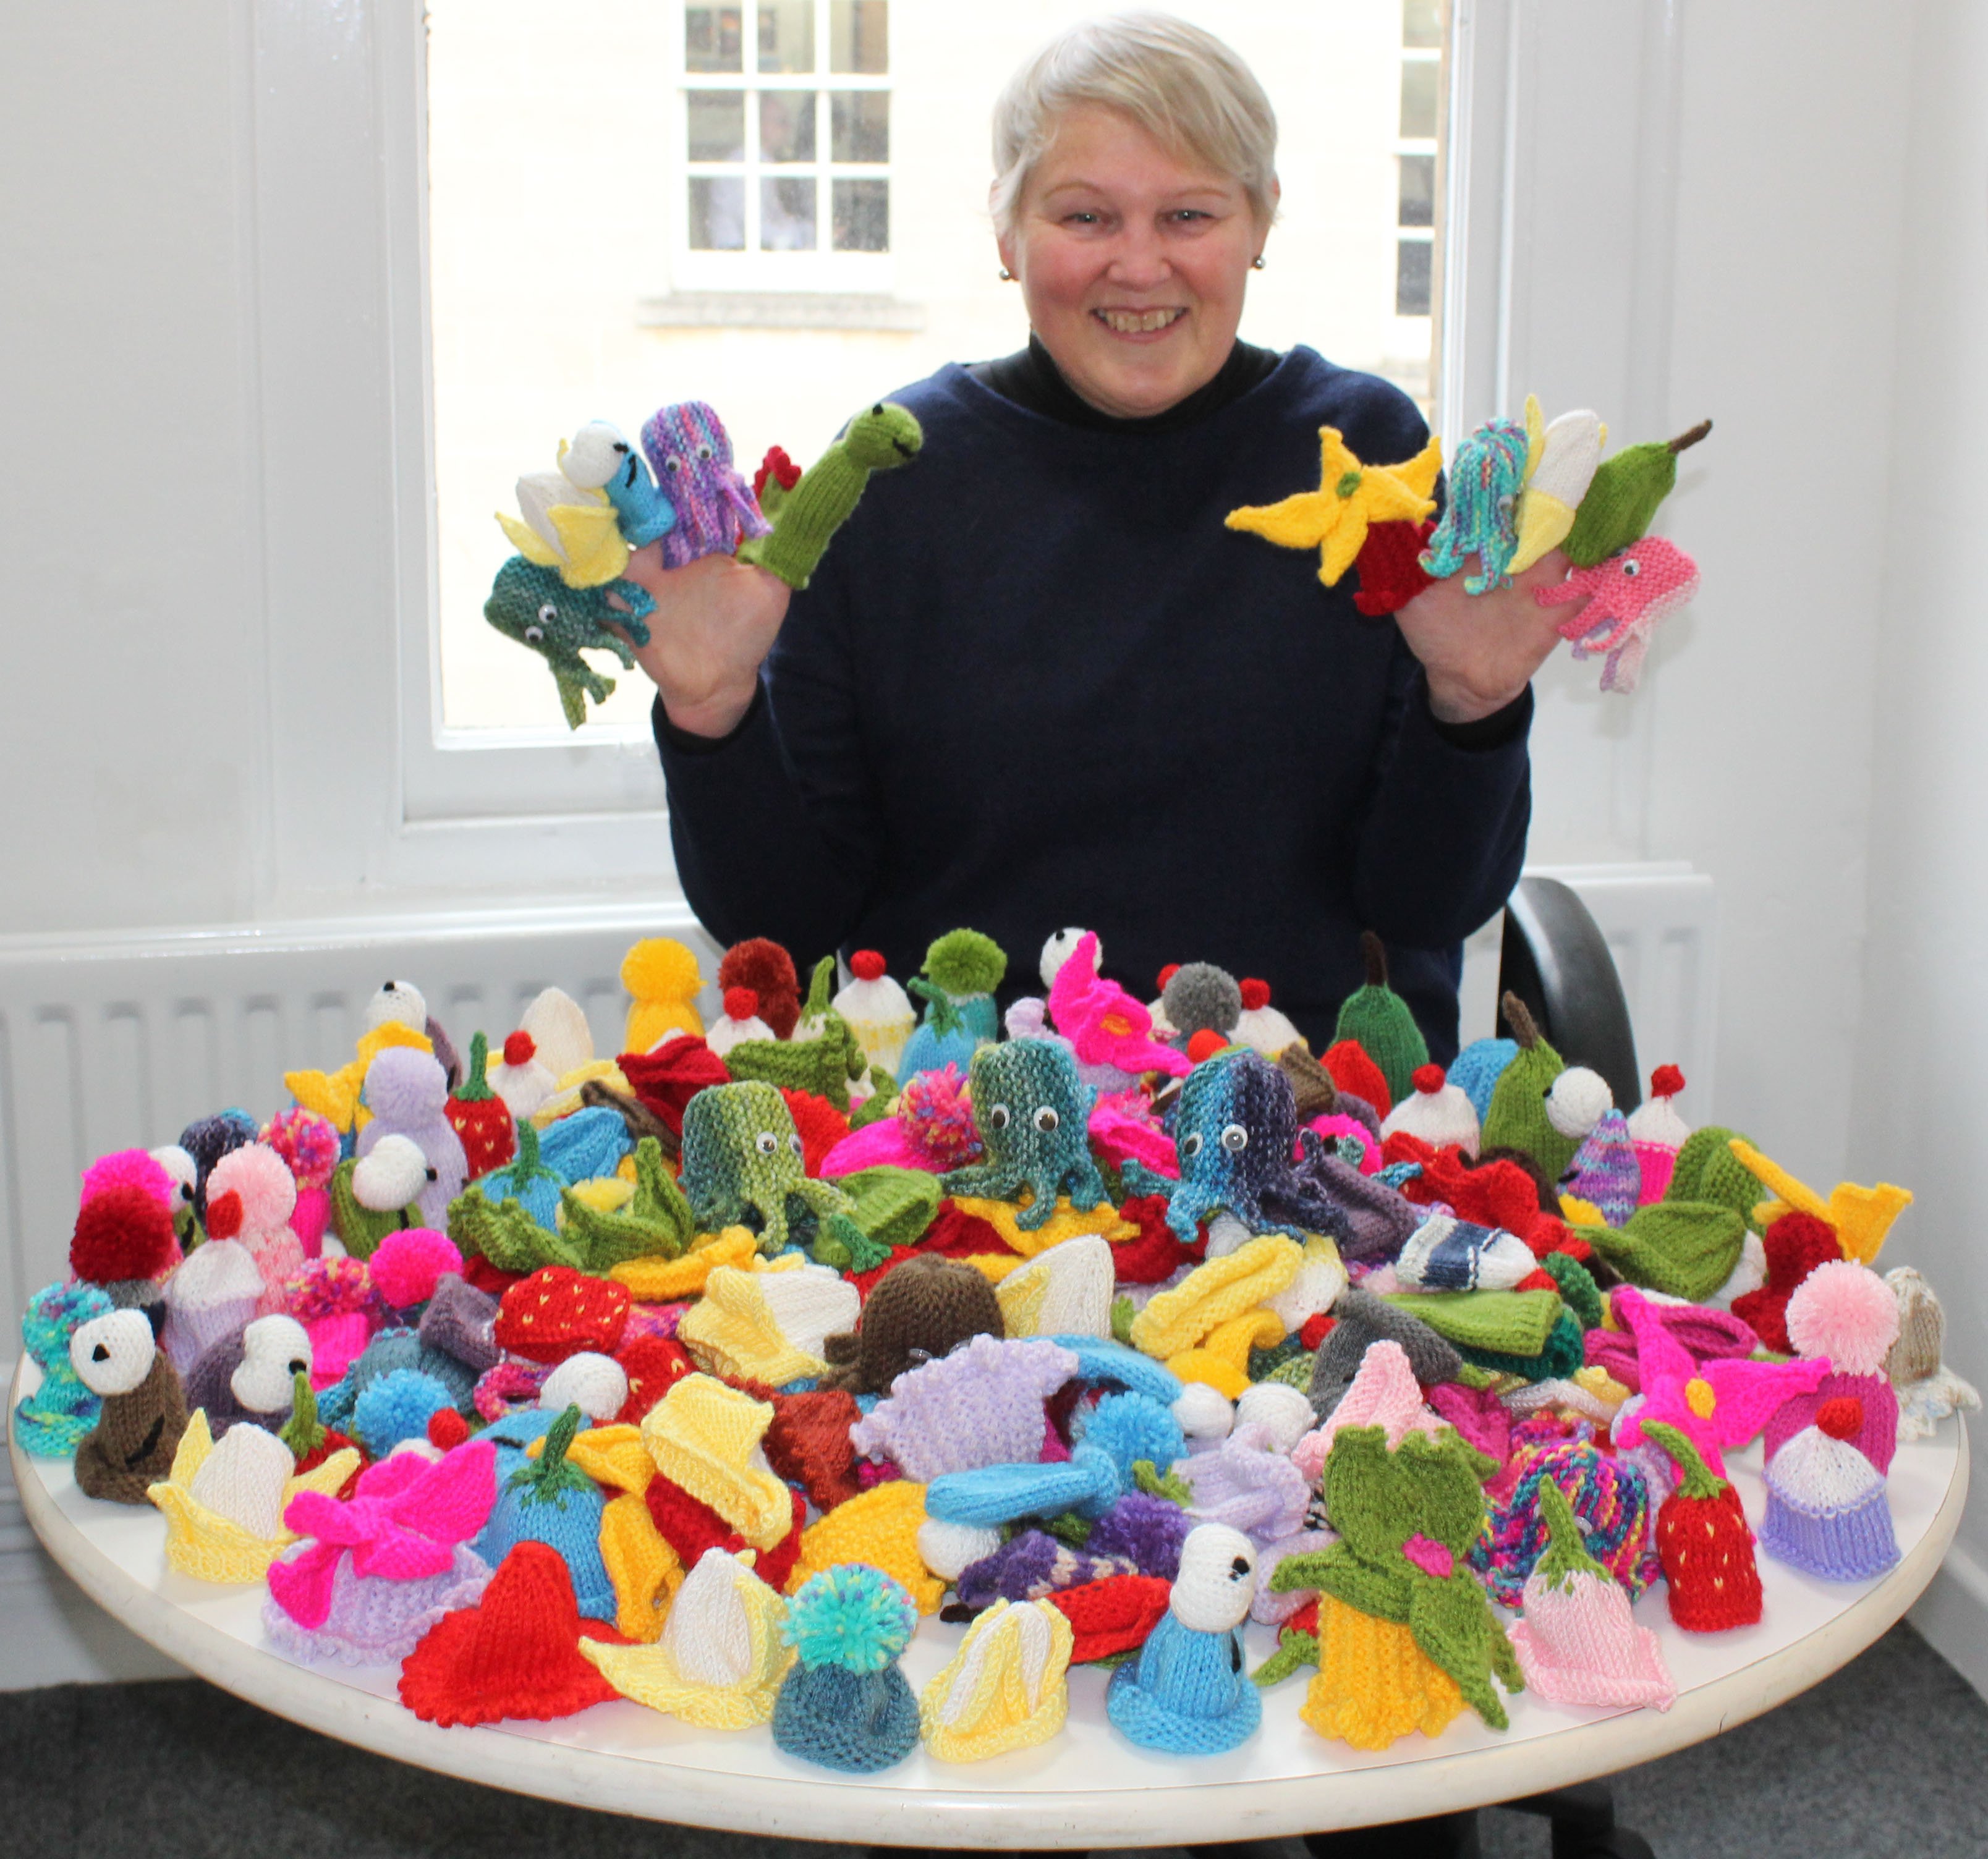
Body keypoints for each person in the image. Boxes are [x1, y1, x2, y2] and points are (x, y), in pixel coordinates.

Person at [621, 13, 1566, 1061]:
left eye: (1189, 214)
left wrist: (1473, 709)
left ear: (1261, 222)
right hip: (965, 1126)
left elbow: (1428, 908)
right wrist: (714, 715)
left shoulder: (1369, 461)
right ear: (1005, 232)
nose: (1140, 264)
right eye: (1085, 217)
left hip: (1304, 1118)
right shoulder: (892, 478)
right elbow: (786, 928)